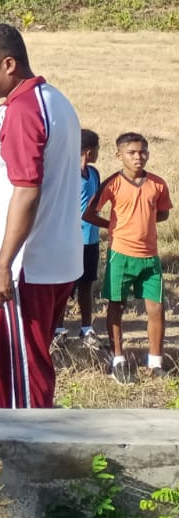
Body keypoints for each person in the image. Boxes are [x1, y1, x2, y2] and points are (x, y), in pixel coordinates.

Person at [0, 22, 84, 410]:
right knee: (29, 368)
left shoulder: (22, 111)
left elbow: (27, 190)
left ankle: (20, 465)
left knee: (21, 381)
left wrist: (3, 266)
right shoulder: (55, 101)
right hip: (58, 258)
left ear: (8, 64)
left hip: (25, 268)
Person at [85, 131, 170, 384]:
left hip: (150, 257)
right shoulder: (112, 183)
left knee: (156, 308)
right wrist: (113, 225)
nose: (138, 157)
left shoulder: (157, 183)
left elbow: (163, 214)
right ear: (118, 154)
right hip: (120, 255)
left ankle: (155, 361)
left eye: (143, 152)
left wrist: (142, 222)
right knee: (116, 306)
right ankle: (118, 359)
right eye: (131, 152)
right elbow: (89, 213)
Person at [73, 129, 103, 344]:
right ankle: (57, 329)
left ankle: (86, 327)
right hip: (71, 239)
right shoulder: (67, 174)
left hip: (91, 238)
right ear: (90, 151)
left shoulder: (93, 173)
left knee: (86, 284)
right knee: (65, 287)